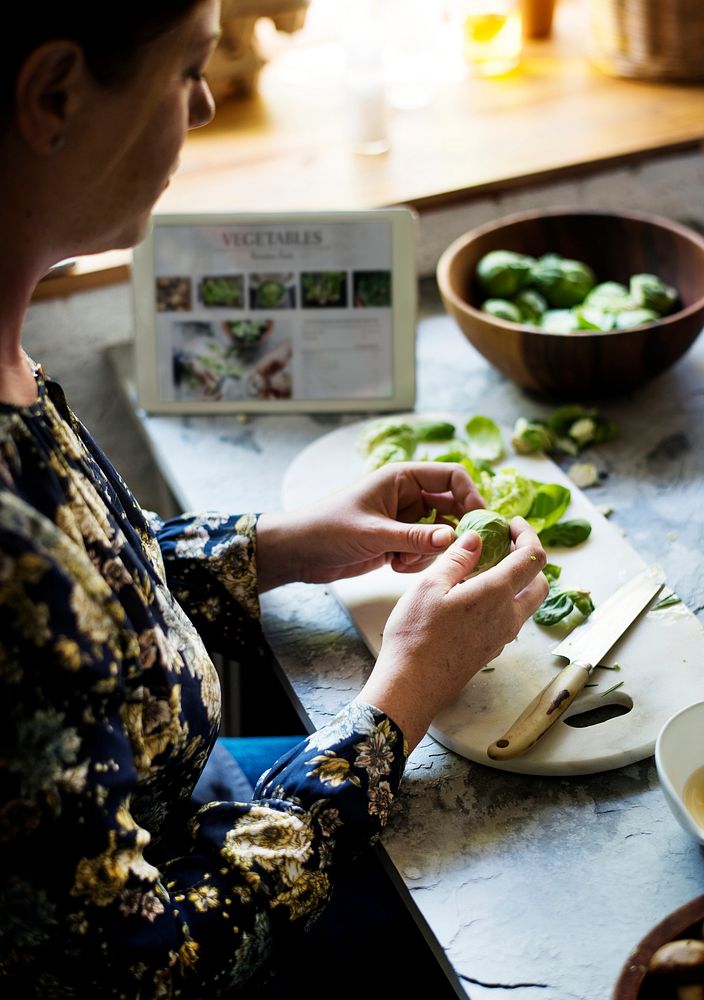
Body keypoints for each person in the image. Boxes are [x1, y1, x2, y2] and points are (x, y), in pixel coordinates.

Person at [0, 2, 549, 996]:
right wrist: (401, 697)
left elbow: (77, 602)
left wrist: (280, 545)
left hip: (184, 790)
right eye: (185, 71)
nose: (205, 105)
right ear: (55, 95)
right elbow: (141, 972)